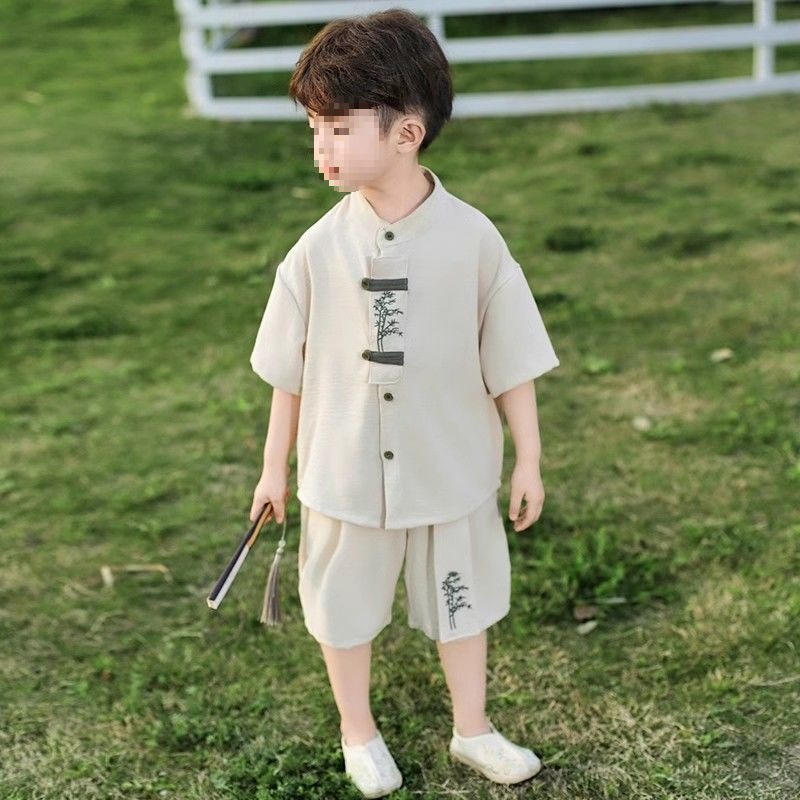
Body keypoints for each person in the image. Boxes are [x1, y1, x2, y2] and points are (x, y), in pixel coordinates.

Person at [248, 9, 560, 798]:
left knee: (464, 603)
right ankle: (358, 732)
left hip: (450, 470)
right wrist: (274, 471)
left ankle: (472, 728)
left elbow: (511, 357)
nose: (321, 149)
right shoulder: (316, 253)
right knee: (342, 607)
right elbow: (288, 373)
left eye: (337, 129)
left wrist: (528, 458)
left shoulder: (474, 242)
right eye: (314, 130)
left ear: (406, 134)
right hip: (344, 477)